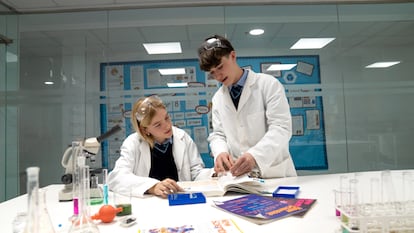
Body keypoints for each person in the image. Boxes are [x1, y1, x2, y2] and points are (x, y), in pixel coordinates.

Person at [197, 34, 297, 178]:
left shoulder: (268, 85)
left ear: (233, 56)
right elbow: (218, 134)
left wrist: (254, 156)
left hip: (275, 174)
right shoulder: (218, 98)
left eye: (220, 67)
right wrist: (220, 152)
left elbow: (281, 128)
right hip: (241, 178)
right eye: (212, 73)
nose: (218, 76)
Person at [107, 95, 207, 198]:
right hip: (150, 205)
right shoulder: (133, 143)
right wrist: (152, 186)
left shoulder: (182, 137)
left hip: (180, 200)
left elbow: (196, 173)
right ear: (144, 129)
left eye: (166, 118)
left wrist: (214, 174)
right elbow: (117, 178)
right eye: (158, 125)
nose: (167, 125)